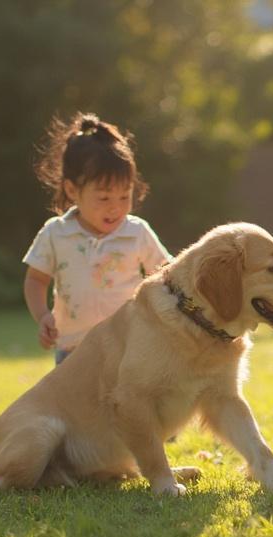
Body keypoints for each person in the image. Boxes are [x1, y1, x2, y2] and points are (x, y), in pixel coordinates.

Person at [23, 112, 171, 364]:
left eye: (124, 196)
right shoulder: (56, 233)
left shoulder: (137, 232)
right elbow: (36, 279)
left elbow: (165, 275)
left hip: (127, 345)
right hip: (73, 349)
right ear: (72, 190)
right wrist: (43, 315)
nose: (115, 207)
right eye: (103, 198)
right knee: (73, 392)